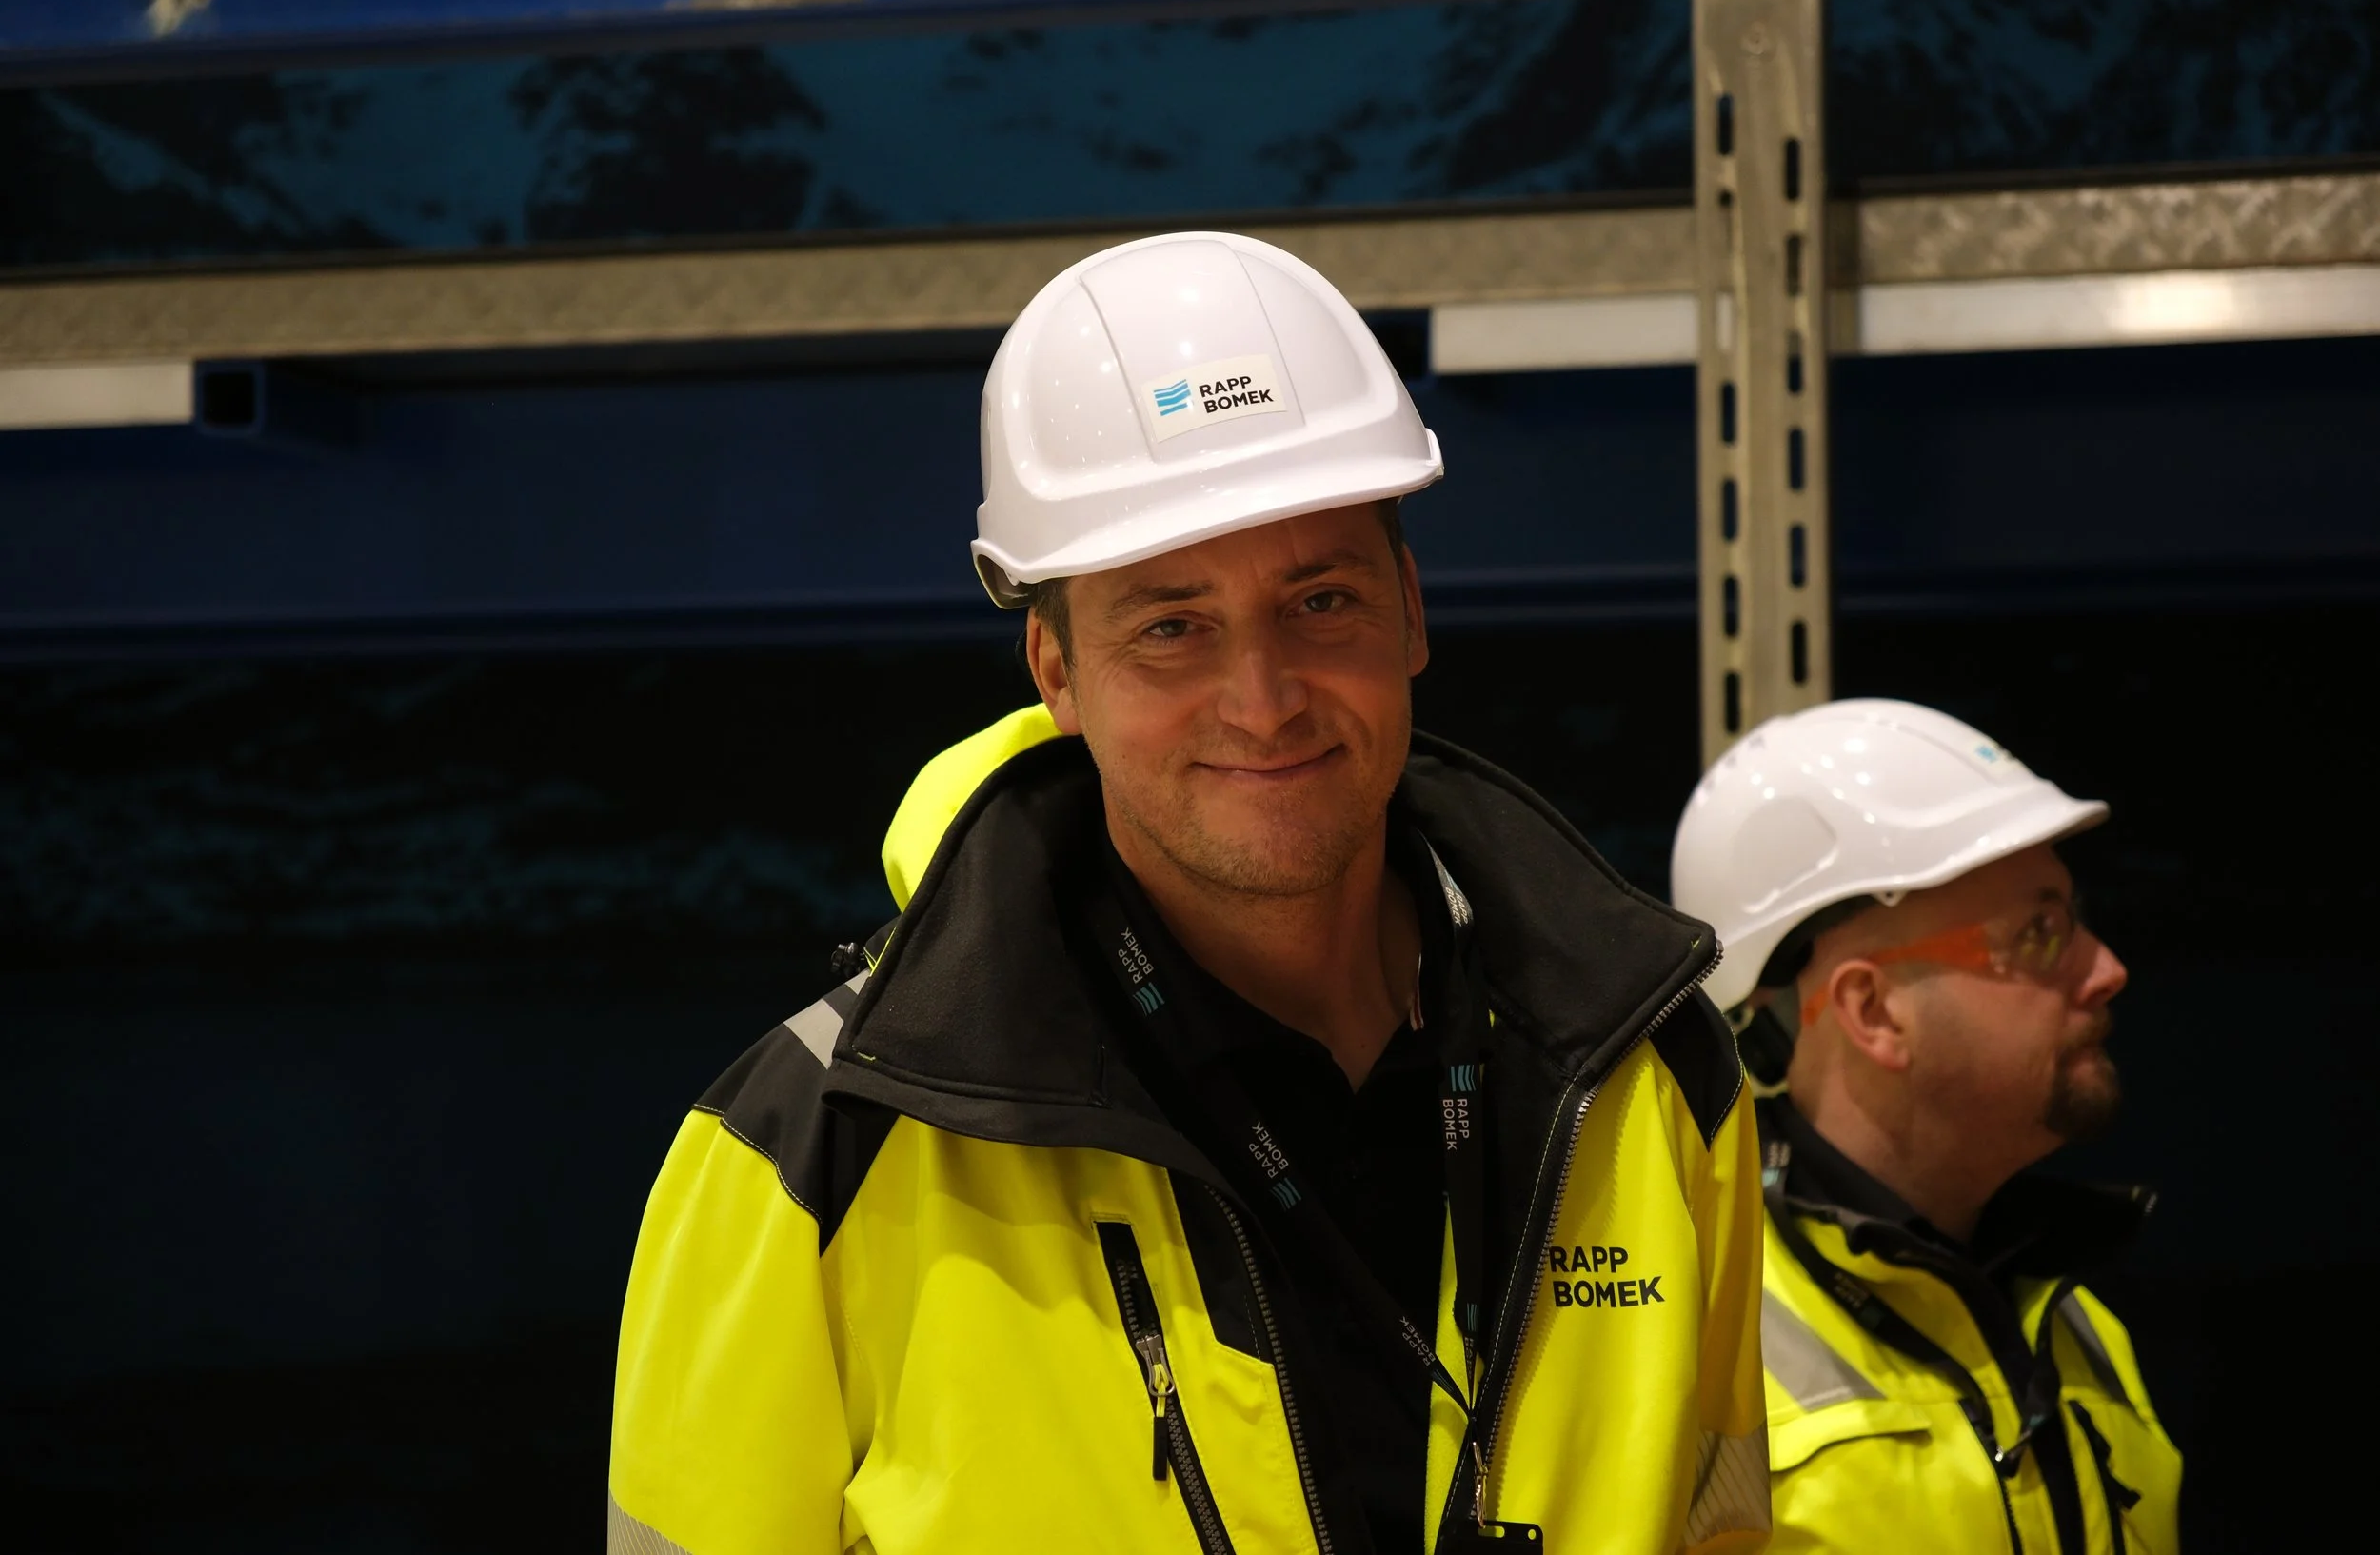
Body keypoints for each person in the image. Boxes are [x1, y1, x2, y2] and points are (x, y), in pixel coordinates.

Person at [607, 230, 1770, 1555]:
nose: (1263, 699)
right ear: (1056, 670)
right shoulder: (814, 1146)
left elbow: (1720, 1522)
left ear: (1410, 611)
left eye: (1320, 598)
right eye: (1171, 625)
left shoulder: (1652, 1064)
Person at [1669, 698, 2182, 1554]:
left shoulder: (2080, 1327)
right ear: (1874, 1010)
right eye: (2041, 933)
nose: (2108, 969)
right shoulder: (1694, 1354)